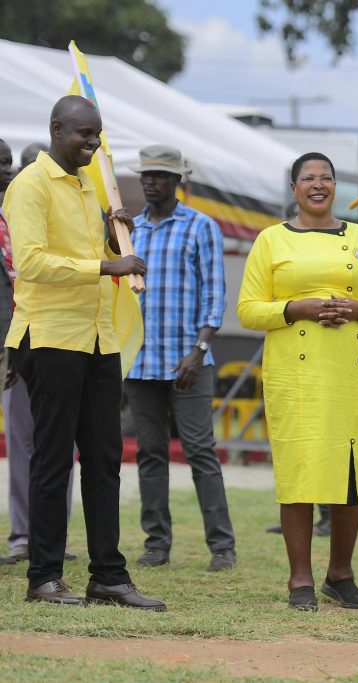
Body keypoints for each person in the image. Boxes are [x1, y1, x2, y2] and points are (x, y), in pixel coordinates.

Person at [3, 95, 164, 609]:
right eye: (84, 134)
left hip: (98, 337)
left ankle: (108, 576)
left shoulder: (88, 186)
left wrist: (115, 243)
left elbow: (94, 254)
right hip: (50, 337)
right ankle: (43, 577)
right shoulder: (29, 185)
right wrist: (106, 267)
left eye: (97, 134)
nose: (94, 143)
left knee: (104, 459)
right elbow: (31, 262)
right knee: (53, 460)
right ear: (57, 129)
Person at [238, 152, 358, 611]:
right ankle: (300, 579)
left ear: (335, 187)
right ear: (294, 188)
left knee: (351, 471)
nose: (318, 185)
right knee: (299, 470)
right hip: (297, 374)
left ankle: (340, 574)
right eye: (308, 178)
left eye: (326, 177)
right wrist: (297, 309)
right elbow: (248, 309)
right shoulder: (271, 240)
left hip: (350, 371)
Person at [124, 144, 236, 571]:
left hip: (188, 361)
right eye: (146, 174)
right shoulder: (130, 230)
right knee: (150, 454)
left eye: (159, 175)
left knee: (200, 452)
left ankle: (222, 547)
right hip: (140, 362)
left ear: (177, 181)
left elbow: (214, 294)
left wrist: (199, 350)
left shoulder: (200, 225)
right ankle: (156, 544)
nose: (151, 181)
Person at [0, 138, 76, 566]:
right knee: (21, 441)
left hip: (57, 337)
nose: (23, 173)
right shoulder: (8, 217)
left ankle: (54, 538)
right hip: (14, 343)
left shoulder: (64, 218)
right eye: (21, 166)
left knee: (59, 443)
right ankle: (22, 537)